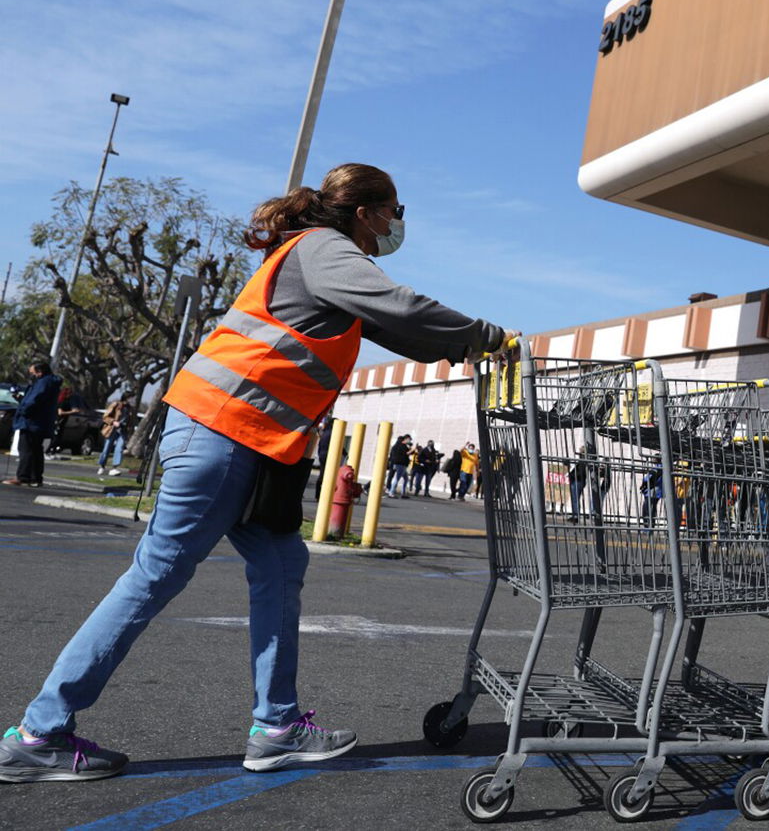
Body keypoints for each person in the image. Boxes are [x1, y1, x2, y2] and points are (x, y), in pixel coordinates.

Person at [0, 163, 511, 783]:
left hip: (247, 441)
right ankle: (40, 731)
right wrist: (492, 338)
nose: (396, 224)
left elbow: (399, 328)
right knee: (155, 576)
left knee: (278, 566)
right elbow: (401, 305)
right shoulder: (326, 250)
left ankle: (277, 728)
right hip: (224, 432)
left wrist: (464, 349)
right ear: (364, 212)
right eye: (394, 212)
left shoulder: (325, 264)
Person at [3, 360, 61, 489]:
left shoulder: (43, 383)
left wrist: (22, 411)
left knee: (26, 449)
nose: (31, 375)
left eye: (32, 373)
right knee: (35, 450)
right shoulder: (50, 383)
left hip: (31, 421)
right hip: (39, 422)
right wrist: (19, 399)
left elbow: (33, 401)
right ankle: (35, 478)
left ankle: (23, 477)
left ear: (39, 372)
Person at [96, 398, 133, 477]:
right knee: (107, 448)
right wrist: (113, 422)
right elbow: (105, 417)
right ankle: (102, 465)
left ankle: (114, 468)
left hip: (122, 431)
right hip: (112, 430)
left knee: (119, 449)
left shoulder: (129, 408)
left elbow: (130, 421)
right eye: (131, 398)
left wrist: (129, 429)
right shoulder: (116, 404)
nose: (132, 400)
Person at [386, 434, 412, 499]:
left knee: (406, 479)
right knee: (397, 478)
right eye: (409, 439)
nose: (410, 441)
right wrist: (412, 449)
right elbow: (406, 453)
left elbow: (408, 453)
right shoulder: (400, 445)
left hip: (402, 464)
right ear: (406, 439)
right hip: (400, 464)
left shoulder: (402, 446)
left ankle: (403, 493)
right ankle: (391, 492)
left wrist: (411, 450)